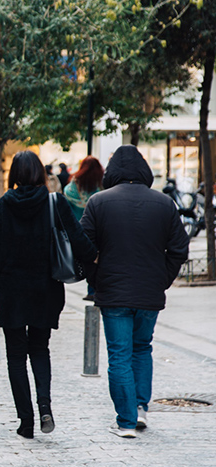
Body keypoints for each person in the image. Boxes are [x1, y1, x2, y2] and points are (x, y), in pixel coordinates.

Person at [0, 150, 97, 439]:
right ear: (41, 174)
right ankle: (45, 407)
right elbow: (78, 239)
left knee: (16, 356)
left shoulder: (6, 204)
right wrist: (96, 258)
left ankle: (26, 421)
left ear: (14, 175)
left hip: (12, 291)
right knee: (40, 349)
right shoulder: (54, 201)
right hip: (45, 290)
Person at [80, 145, 189, 439]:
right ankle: (140, 408)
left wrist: (97, 278)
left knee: (119, 355)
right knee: (142, 347)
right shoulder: (164, 204)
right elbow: (179, 248)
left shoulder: (98, 202)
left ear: (112, 171)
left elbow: (83, 247)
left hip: (113, 291)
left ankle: (126, 421)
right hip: (148, 293)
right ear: (143, 170)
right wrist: (162, 279)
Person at [64, 156, 104, 300]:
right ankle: (94, 288)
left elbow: (67, 195)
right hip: (99, 228)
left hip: (78, 229)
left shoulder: (75, 184)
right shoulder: (101, 184)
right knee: (98, 259)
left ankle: (90, 288)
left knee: (87, 258)